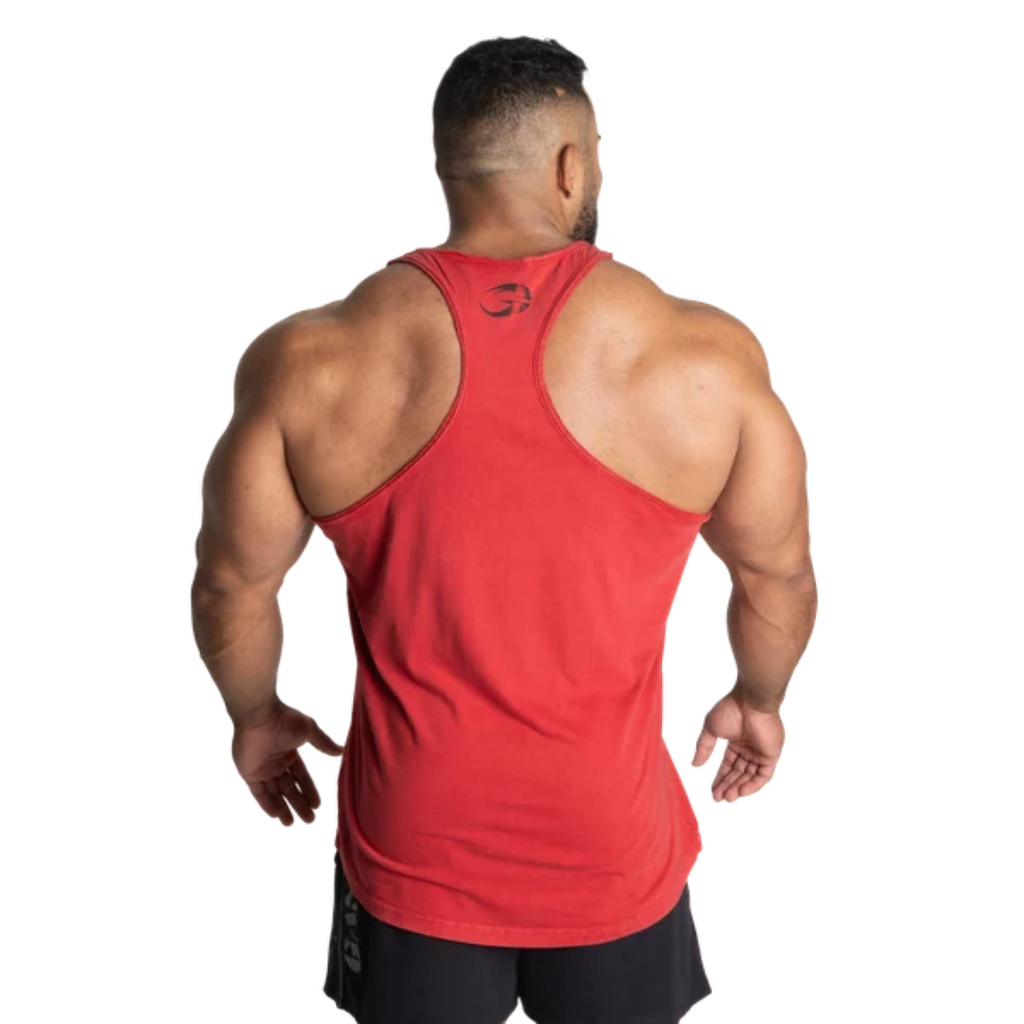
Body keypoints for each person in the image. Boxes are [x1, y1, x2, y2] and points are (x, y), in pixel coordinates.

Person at [191, 34, 816, 1024]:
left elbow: (233, 584)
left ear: (450, 162)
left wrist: (256, 716)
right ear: (571, 166)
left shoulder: (311, 361)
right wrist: (758, 697)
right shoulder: (704, 358)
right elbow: (776, 576)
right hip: (610, 845)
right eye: (597, 155)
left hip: (411, 844)